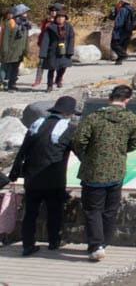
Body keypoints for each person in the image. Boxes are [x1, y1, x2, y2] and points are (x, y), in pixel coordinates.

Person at [73, 84, 136, 261]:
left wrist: (88, 154)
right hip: (116, 170)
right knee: (110, 209)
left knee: (93, 210)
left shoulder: (94, 118)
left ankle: (96, 245)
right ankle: (104, 242)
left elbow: (78, 140)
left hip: (93, 171)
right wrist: (121, 150)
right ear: (127, 100)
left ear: (110, 97)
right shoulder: (131, 119)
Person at [3, 94, 78, 255]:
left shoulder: (37, 124)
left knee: (30, 212)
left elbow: (22, 150)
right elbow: (79, 151)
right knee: (54, 211)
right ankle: (54, 242)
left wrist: (15, 172)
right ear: (68, 113)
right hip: (54, 177)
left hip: (32, 176)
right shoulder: (68, 128)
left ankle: (28, 245)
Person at [39, 9, 75, 92]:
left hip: (64, 50)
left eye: (62, 17)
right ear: (56, 18)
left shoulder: (68, 27)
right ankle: (49, 85)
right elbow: (45, 40)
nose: (60, 19)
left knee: (63, 67)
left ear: (65, 18)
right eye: (59, 17)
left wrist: (70, 50)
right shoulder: (50, 28)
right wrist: (43, 53)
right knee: (51, 68)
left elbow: (71, 39)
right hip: (53, 51)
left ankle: (58, 79)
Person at [2, 4, 32, 90]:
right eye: (24, 12)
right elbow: (5, 38)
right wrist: (4, 51)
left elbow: (26, 38)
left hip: (19, 51)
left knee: (15, 68)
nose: (26, 14)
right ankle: (3, 83)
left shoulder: (25, 24)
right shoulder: (10, 23)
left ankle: (12, 84)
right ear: (19, 13)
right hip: (10, 50)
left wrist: (26, 50)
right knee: (6, 68)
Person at [30, 5, 59, 88]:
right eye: (52, 11)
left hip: (54, 45)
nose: (53, 13)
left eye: (55, 11)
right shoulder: (46, 21)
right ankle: (37, 80)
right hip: (45, 45)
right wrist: (40, 42)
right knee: (41, 63)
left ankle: (57, 79)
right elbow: (42, 32)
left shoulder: (59, 21)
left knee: (56, 63)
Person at [110, 0, 136, 64]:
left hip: (120, 31)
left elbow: (119, 21)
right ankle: (119, 61)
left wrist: (115, 27)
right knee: (123, 45)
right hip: (128, 30)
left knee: (114, 44)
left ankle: (123, 55)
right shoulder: (132, 9)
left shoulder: (123, 9)